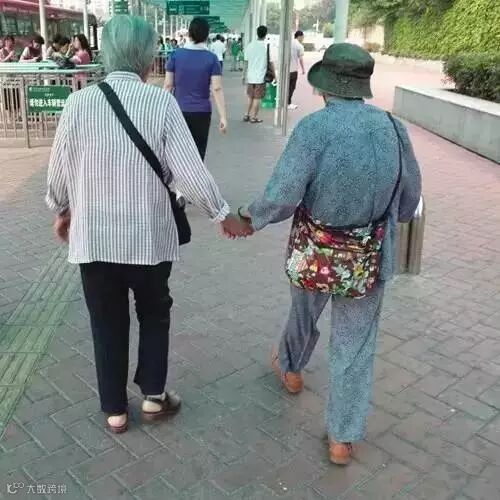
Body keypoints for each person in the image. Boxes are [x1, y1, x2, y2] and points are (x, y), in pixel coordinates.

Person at [46, 15, 252, 434]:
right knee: (155, 312)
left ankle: (115, 410)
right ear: (147, 56)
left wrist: (62, 209)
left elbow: (59, 173)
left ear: (106, 53)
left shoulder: (77, 103)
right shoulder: (161, 104)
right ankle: (154, 397)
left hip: (95, 238)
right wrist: (222, 214)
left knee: (106, 321)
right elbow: (190, 173)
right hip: (150, 237)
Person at [239, 44, 421, 465]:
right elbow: (410, 199)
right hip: (368, 257)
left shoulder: (314, 129)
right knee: (355, 344)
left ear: (325, 87)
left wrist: (249, 216)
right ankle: (342, 437)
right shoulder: (393, 129)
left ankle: (291, 368)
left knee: (304, 312)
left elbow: (283, 196)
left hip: (315, 252)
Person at [165, 17, 227, 161]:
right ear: (207, 35)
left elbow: (168, 85)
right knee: (198, 153)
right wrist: (223, 116)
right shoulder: (212, 59)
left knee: (178, 152)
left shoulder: (175, 55)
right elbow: (217, 88)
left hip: (178, 110)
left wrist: (161, 111)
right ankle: (196, 175)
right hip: (202, 112)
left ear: (189, 33)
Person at [243, 25, 274, 124]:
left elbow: (246, 62)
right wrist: (274, 75)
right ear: (265, 34)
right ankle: (254, 117)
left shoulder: (250, 45)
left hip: (250, 76)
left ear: (257, 33)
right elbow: (271, 63)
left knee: (250, 97)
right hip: (260, 77)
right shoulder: (266, 47)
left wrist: (243, 75)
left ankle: (246, 115)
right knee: (257, 98)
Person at [288, 30, 305, 110]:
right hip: (293, 70)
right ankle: (288, 103)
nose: (303, 39)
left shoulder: (288, 43)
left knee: (285, 87)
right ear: (299, 36)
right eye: (303, 37)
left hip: (285, 70)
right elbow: (301, 59)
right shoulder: (299, 46)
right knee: (292, 87)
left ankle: (284, 102)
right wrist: (303, 69)